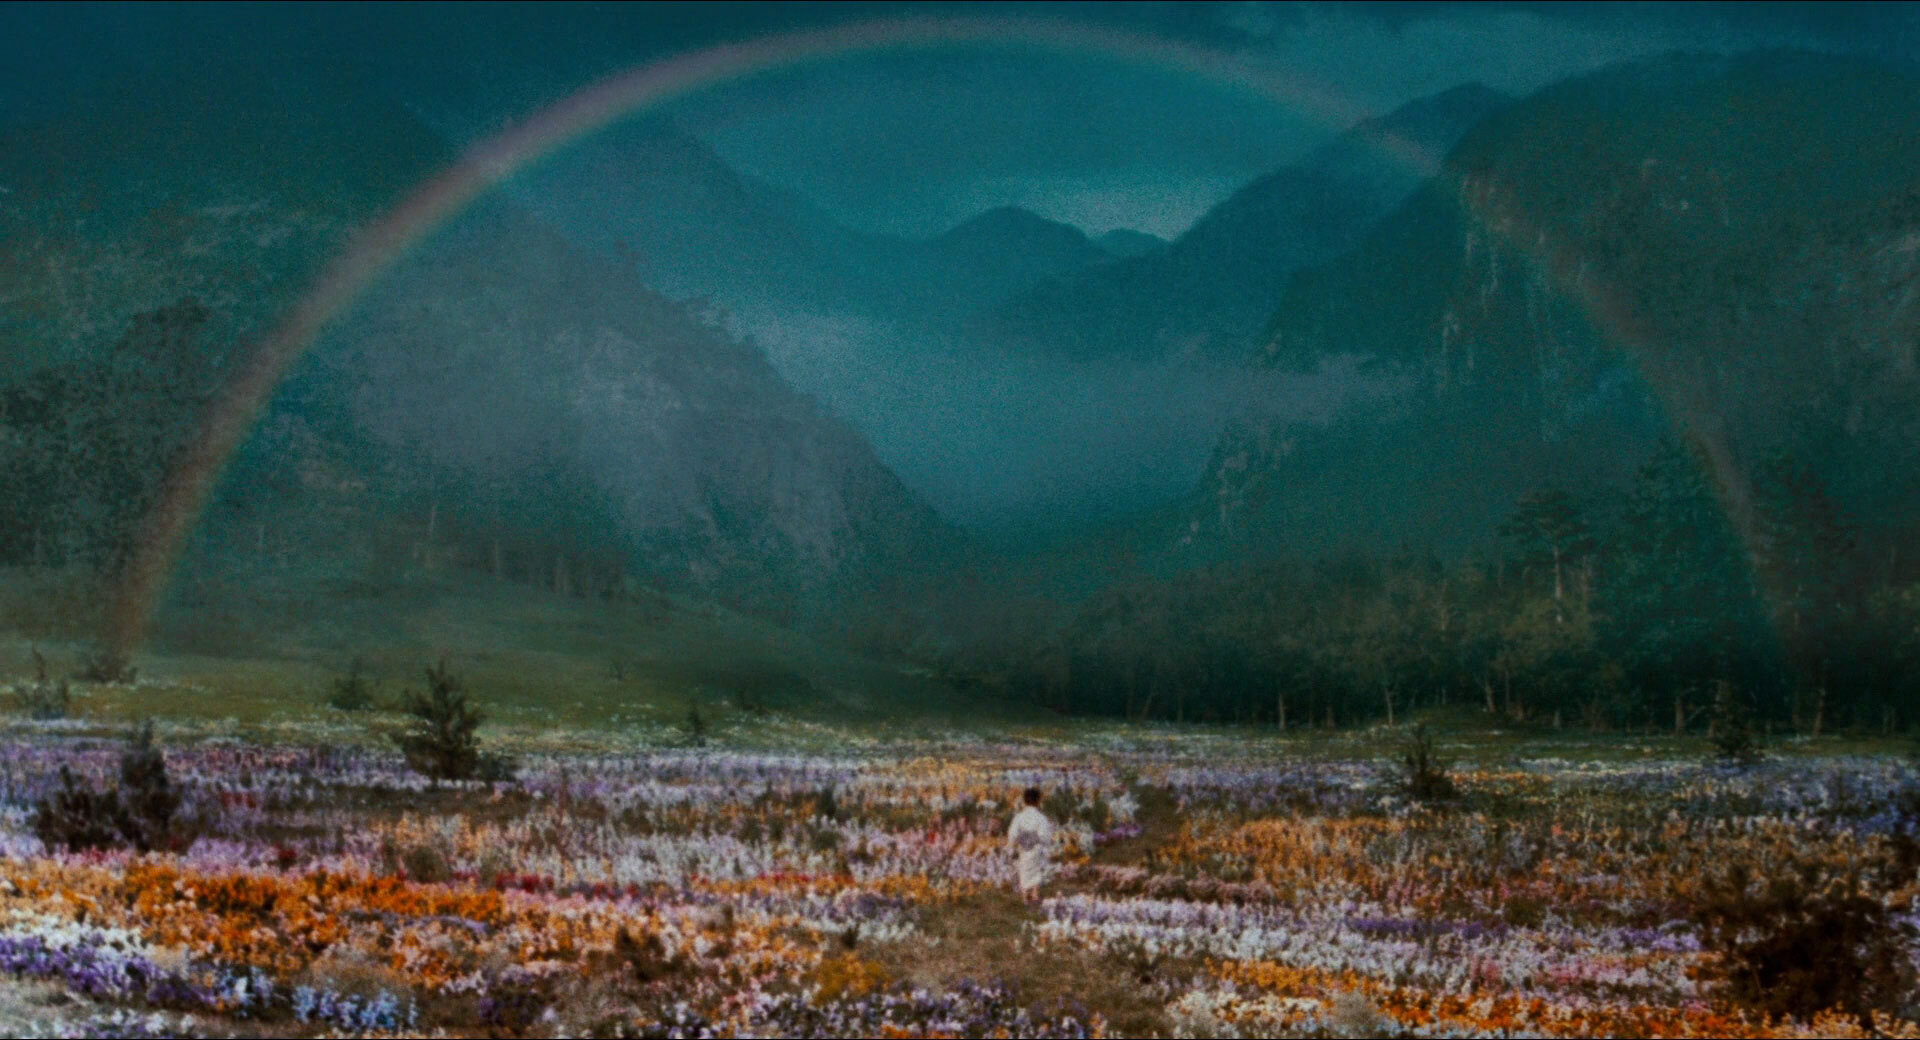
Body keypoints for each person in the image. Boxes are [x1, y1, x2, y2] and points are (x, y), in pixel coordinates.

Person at [1007, 786, 1054, 903]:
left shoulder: (1019, 817)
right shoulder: (1041, 818)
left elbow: (1012, 834)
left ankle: (1025, 896)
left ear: (1024, 801)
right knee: (1036, 871)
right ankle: (1034, 894)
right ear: (1038, 801)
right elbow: (1045, 836)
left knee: (1024, 870)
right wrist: (1041, 842)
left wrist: (1012, 847)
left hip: (1022, 847)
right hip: (1036, 848)